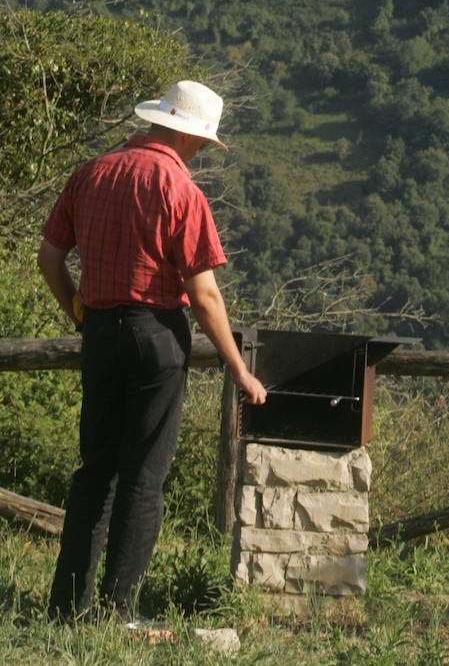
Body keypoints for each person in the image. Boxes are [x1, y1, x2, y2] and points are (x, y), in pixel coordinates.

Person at [37, 78, 266, 623]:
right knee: (144, 475)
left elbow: (50, 258)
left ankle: (67, 606)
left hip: (99, 330)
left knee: (95, 468)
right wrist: (239, 369)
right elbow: (203, 294)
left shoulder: (91, 173)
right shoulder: (180, 191)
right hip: (155, 335)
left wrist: (77, 308)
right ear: (192, 137)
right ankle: (119, 610)